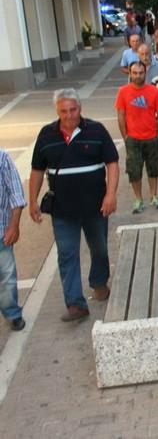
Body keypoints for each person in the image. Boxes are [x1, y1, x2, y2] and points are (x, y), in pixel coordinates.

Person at [29, 88, 119, 322]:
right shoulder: (46, 134)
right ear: (57, 111)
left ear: (80, 108)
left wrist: (111, 194)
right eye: (63, 111)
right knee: (67, 254)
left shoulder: (96, 130)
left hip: (96, 207)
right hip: (63, 210)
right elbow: (37, 170)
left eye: (73, 110)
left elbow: (112, 162)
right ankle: (75, 304)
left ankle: (99, 282)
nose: (69, 115)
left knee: (99, 249)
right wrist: (32, 201)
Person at [115, 61, 158, 213]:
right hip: (133, 138)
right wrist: (126, 137)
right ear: (129, 73)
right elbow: (120, 116)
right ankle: (138, 199)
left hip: (152, 137)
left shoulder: (155, 91)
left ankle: (154, 196)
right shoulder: (123, 92)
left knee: (154, 169)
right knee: (134, 170)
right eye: (135, 73)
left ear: (145, 73)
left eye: (141, 73)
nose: (138, 76)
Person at [0, 148, 26, 331]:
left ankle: (12, 314)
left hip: (1, 233)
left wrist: (13, 225)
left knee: (7, 277)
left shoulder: (2, 158)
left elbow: (16, 194)